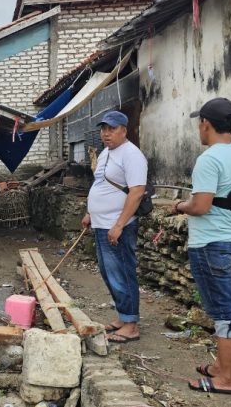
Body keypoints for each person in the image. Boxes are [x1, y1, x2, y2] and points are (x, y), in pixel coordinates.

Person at [170, 97, 231, 395]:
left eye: (200, 122)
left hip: (212, 246)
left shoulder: (209, 159)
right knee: (230, 308)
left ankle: (227, 380)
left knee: (225, 314)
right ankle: (222, 368)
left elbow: (201, 206)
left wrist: (181, 206)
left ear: (205, 124)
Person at [82, 110, 147, 344]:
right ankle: (123, 316)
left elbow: (137, 192)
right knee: (109, 273)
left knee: (122, 272)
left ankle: (131, 325)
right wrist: (90, 212)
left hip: (118, 226)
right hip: (101, 224)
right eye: (103, 129)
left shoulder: (131, 155)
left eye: (112, 129)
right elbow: (101, 184)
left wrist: (119, 225)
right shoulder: (107, 153)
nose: (106, 134)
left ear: (124, 130)